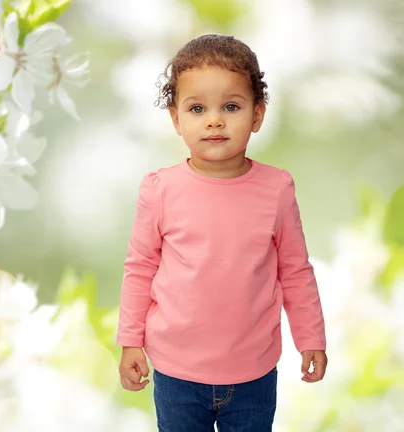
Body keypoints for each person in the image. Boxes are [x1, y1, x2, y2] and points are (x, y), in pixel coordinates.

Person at [116, 34, 328, 431]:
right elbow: (140, 268)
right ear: (177, 119)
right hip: (176, 372)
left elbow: (295, 270)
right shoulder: (160, 190)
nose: (214, 120)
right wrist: (131, 340)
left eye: (231, 106)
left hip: (253, 373)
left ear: (258, 115)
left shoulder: (277, 189)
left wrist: (310, 337)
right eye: (197, 108)